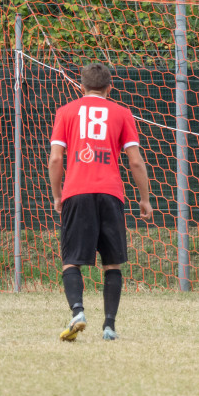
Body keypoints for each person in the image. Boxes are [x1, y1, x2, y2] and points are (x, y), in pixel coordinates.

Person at [49, 62, 152, 342]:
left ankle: (78, 312)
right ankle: (109, 326)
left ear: (81, 86)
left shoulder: (65, 112)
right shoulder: (122, 113)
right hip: (110, 193)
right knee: (113, 263)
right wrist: (144, 198)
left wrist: (58, 194)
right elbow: (135, 161)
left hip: (76, 192)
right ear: (110, 87)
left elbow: (56, 158)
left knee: (71, 261)